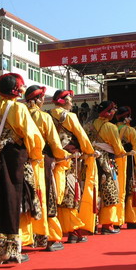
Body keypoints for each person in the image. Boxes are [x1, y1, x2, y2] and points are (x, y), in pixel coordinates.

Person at [0, 73, 43, 264]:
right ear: (16, 90)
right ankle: (9, 249)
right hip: (13, 157)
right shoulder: (18, 108)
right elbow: (32, 136)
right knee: (12, 199)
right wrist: (35, 156)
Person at [24, 85, 71, 251]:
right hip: (42, 161)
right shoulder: (44, 117)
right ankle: (50, 238)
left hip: (23, 162)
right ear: (38, 99)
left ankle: (29, 237)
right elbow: (55, 143)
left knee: (27, 199)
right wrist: (65, 156)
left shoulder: (20, 114)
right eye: (42, 98)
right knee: (47, 197)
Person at [50, 89, 96, 242]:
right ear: (63, 102)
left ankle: (59, 229)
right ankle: (73, 231)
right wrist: (89, 152)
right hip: (69, 159)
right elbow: (81, 136)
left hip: (52, 159)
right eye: (70, 100)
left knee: (56, 194)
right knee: (71, 193)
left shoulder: (48, 115)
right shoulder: (70, 116)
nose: (72, 103)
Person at [85, 101, 127, 233]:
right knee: (110, 190)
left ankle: (91, 223)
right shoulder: (111, 127)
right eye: (113, 110)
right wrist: (122, 153)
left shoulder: (88, 125)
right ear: (108, 112)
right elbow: (118, 147)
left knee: (93, 190)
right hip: (106, 161)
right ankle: (107, 225)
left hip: (91, 160)